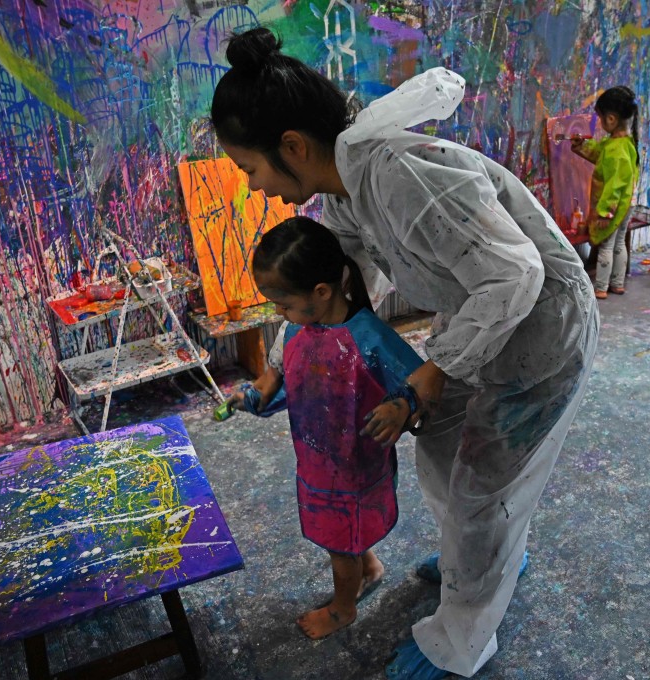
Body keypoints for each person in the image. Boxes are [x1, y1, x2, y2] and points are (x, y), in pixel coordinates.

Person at [211, 28, 599, 679]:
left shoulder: (402, 176)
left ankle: (461, 638)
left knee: (484, 488)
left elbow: (516, 275)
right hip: (480, 328)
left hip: (540, 335)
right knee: (446, 454)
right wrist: (281, 365)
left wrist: (430, 374)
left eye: (250, 169)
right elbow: (325, 292)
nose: (253, 188)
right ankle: (487, 558)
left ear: (293, 147)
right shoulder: (344, 192)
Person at [227, 216, 425, 640]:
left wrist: (401, 405)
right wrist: (253, 398)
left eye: (283, 303)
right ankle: (368, 567)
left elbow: (418, 383)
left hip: (356, 469)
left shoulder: (368, 337)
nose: (279, 313)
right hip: (316, 463)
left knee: (340, 544)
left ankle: (343, 609)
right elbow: (280, 381)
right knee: (340, 535)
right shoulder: (295, 330)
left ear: (321, 291)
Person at [571, 86, 641, 299]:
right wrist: (581, 146)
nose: (600, 122)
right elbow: (600, 155)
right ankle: (617, 283)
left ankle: (600, 287)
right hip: (626, 204)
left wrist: (604, 212)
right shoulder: (623, 143)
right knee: (619, 244)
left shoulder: (617, 150)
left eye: (600, 118)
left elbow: (614, 186)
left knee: (606, 246)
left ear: (611, 119)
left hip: (614, 207)